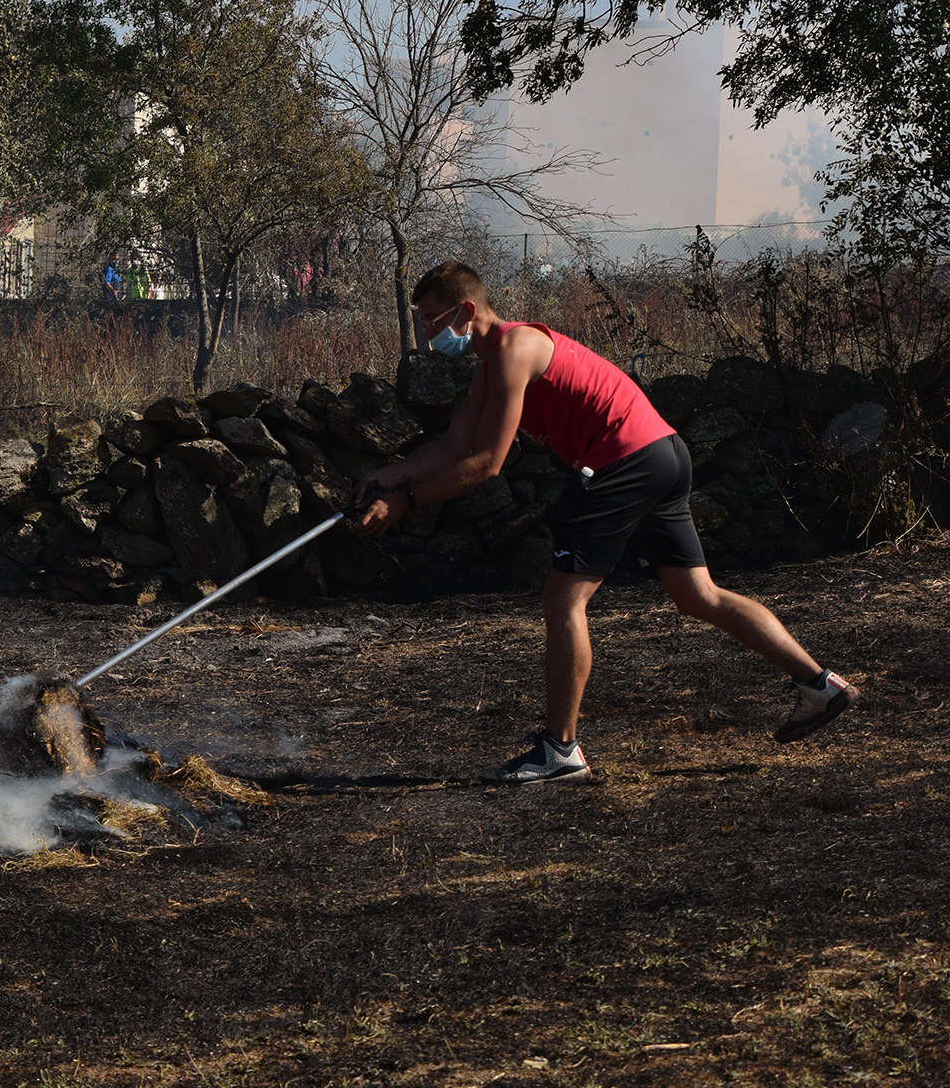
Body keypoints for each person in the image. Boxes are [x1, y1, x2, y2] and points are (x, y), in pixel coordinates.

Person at [352, 261, 857, 784]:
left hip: (623, 461)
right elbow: (454, 444)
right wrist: (385, 478)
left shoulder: (513, 349)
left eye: (434, 319)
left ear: (467, 310)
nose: (429, 332)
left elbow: (487, 463)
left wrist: (406, 502)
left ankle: (559, 752)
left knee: (563, 601)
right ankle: (820, 685)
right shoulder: (489, 369)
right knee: (697, 595)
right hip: (663, 453)